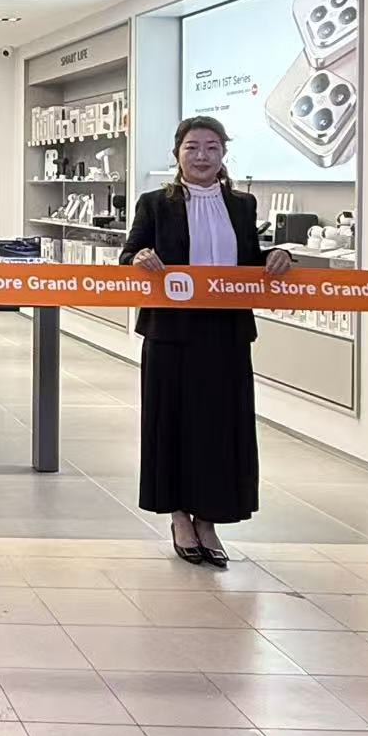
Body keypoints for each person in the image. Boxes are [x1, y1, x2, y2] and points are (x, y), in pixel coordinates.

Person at [121, 116, 293, 568]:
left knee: (220, 427)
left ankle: (209, 518)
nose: (202, 156)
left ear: (223, 154)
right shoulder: (155, 204)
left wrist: (279, 255)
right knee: (172, 423)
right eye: (192, 147)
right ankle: (180, 516)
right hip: (171, 334)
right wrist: (140, 258)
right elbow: (129, 255)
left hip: (226, 334)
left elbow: (249, 259)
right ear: (177, 153)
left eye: (212, 147)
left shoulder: (242, 204)